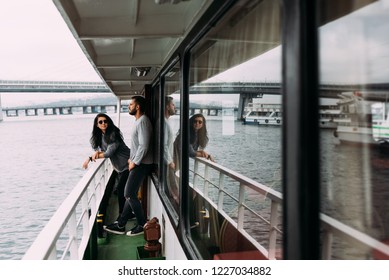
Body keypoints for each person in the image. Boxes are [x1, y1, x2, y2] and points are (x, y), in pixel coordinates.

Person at [104, 95, 153, 236]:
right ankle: (121, 224)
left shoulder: (143, 121)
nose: (129, 106)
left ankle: (142, 224)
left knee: (128, 193)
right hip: (138, 162)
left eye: (131, 104)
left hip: (141, 164)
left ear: (137, 107)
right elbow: (138, 146)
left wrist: (134, 162)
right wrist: (132, 158)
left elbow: (144, 146)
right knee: (129, 194)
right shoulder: (139, 121)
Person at [82, 113, 134, 222]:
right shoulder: (101, 136)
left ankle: (123, 215)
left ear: (108, 122)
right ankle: (127, 213)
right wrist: (98, 152)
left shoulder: (113, 134)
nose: (103, 123)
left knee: (121, 190)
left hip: (129, 163)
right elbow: (105, 151)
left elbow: (109, 153)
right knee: (124, 190)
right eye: (100, 122)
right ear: (97, 125)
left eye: (105, 121)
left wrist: (90, 158)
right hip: (120, 167)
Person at [164, 96, 179, 203]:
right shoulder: (164, 123)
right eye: (173, 105)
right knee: (172, 187)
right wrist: (170, 161)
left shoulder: (166, 122)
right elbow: (163, 145)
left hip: (166, 161)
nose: (175, 107)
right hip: (166, 162)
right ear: (167, 107)